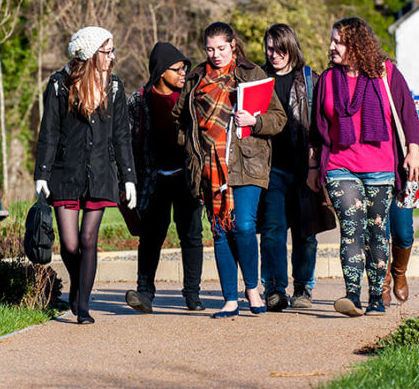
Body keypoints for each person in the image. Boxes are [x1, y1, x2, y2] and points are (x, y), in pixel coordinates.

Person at [307, 17, 419, 317]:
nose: (331, 47)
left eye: (338, 41)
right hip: (340, 165)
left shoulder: (386, 74)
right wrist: (313, 166)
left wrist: (413, 151)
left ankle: (375, 296)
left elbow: (407, 112)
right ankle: (352, 295)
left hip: (380, 167)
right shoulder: (328, 80)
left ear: (356, 45)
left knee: (376, 231)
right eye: (332, 40)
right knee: (351, 228)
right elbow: (317, 129)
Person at [174, 22, 286, 318]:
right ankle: (230, 299)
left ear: (233, 45)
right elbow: (181, 120)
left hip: (247, 161)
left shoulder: (252, 74)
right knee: (220, 230)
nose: (216, 54)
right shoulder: (196, 78)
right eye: (210, 49)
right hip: (208, 167)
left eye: (221, 48)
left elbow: (278, 118)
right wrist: (190, 149)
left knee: (244, 225)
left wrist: (254, 122)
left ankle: (252, 288)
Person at [34, 26, 137, 325]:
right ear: (90, 54)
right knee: (69, 244)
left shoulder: (114, 87)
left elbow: (121, 136)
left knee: (88, 238)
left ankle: (84, 305)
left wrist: (128, 176)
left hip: (100, 174)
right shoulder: (59, 85)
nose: (112, 57)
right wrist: (42, 172)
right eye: (107, 52)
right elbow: (49, 131)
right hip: (66, 173)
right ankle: (78, 284)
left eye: (112, 51)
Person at [258, 24, 336, 312]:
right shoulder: (259, 79)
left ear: (291, 47)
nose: (274, 54)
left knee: (306, 232)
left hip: (305, 167)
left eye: (280, 48)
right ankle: (275, 289)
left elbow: (322, 124)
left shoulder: (310, 79)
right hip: (270, 169)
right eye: (269, 48)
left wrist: (318, 162)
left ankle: (303, 287)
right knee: (272, 230)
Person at [124, 42, 205, 314]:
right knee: (150, 236)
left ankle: (192, 295)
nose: (184, 73)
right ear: (160, 71)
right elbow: (125, 142)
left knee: (192, 235)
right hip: (153, 180)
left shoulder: (192, 97)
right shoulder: (138, 101)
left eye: (185, 68)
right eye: (177, 69)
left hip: (187, 177)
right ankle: (145, 293)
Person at [383, 98, 419, 306]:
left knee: (404, 234)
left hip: (403, 178)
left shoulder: (404, 99)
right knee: (378, 232)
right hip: (375, 172)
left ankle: (399, 272)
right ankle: (383, 283)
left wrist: (417, 150)